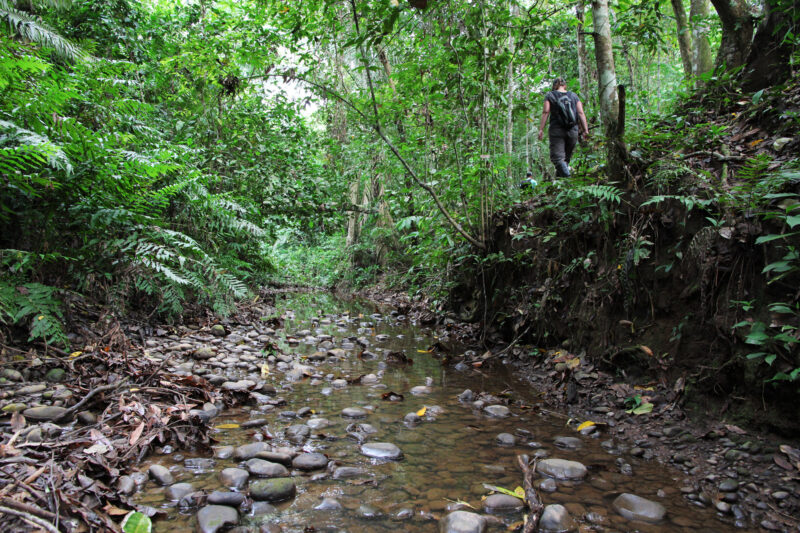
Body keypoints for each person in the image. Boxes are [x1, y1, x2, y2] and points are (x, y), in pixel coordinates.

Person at [537, 77, 589, 178]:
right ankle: (561, 187)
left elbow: (546, 111)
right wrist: (585, 130)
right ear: (565, 85)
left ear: (554, 86)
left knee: (558, 159)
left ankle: (569, 181)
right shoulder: (574, 96)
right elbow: (581, 113)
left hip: (557, 130)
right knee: (565, 160)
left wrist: (541, 129)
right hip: (573, 130)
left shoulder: (550, 95)